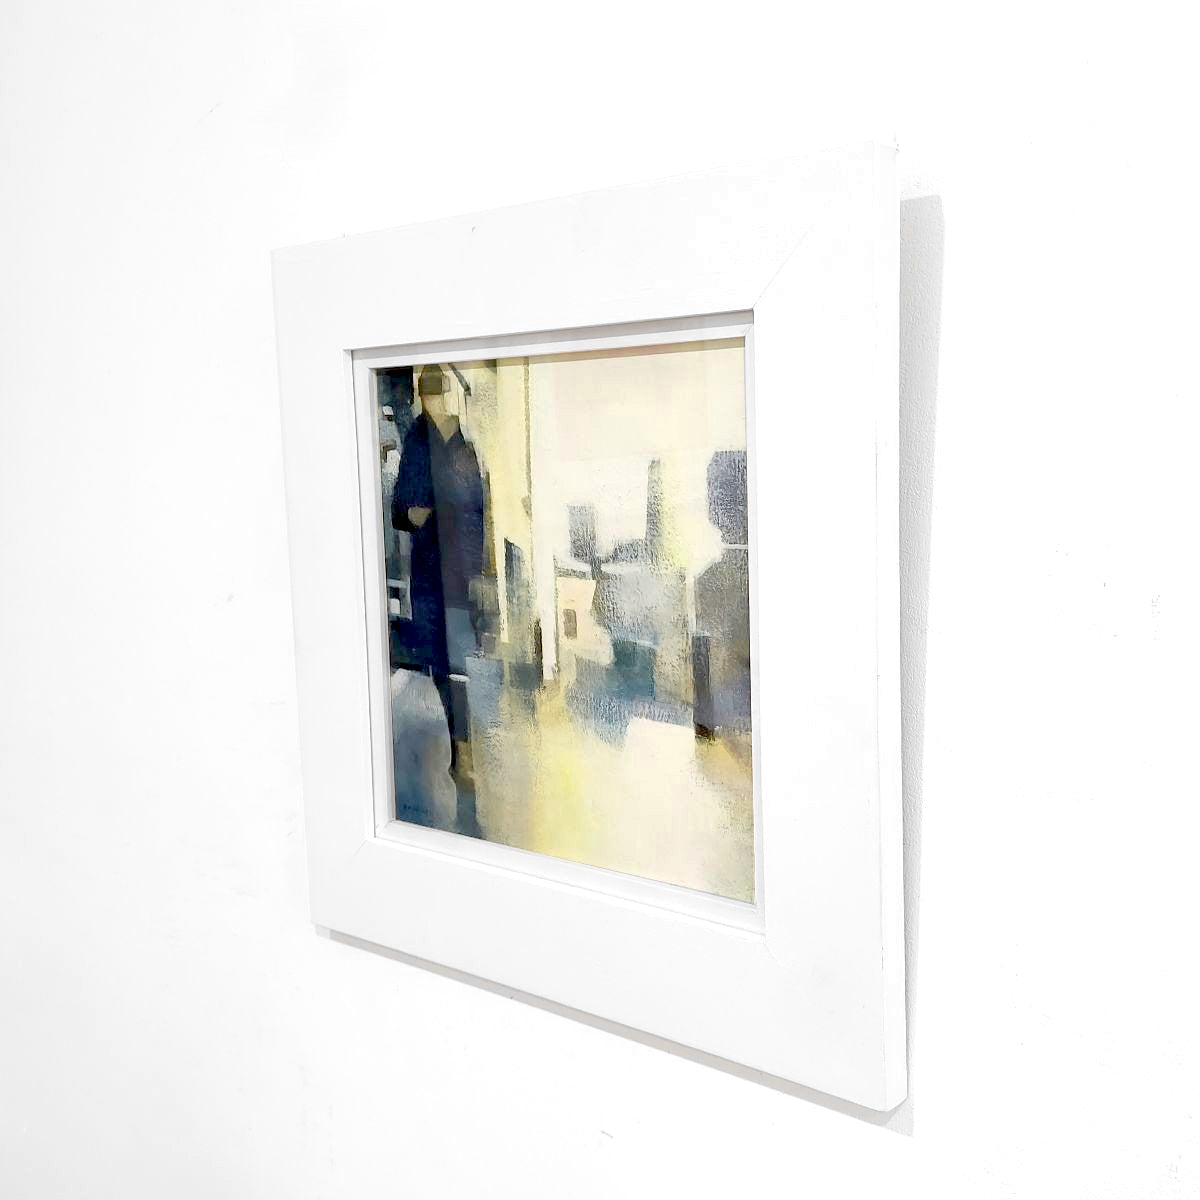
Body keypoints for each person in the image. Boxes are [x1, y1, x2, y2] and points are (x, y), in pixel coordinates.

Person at [391, 364, 485, 786]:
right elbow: (399, 509)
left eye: (440, 392)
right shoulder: (416, 441)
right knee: (443, 664)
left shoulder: (464, 443)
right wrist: (415, 515)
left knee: (460, 660)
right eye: (432, 392)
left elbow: (478, 511)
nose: (437, 400)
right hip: (431, 569)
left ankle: (464, 750)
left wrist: (480, 569)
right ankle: (461, 751)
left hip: (461, 571)